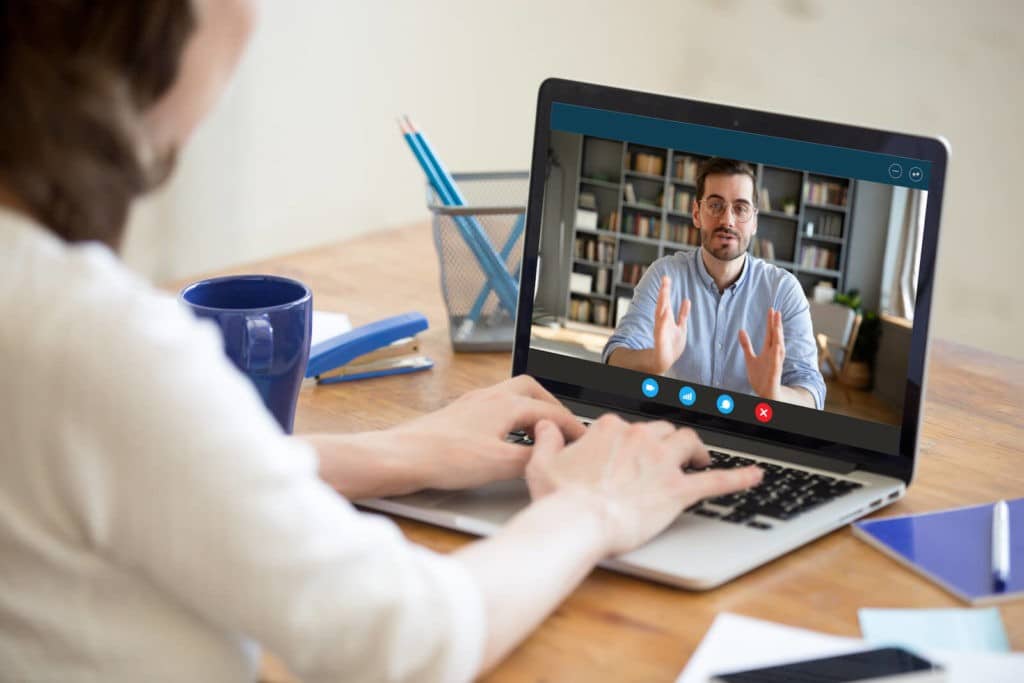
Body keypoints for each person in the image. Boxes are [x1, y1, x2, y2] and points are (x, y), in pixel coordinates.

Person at [0, 2, 763, 681]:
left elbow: (121, 469)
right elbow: (405, 640)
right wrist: (591, 508)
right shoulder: (89, 342)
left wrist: (389, 452)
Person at [603, 157, 826, 409]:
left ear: (754, 221)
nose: (727, 220)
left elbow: (812, 393)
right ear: (697, 214)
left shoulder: (784, 291)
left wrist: (774, 393)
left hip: (751, 433)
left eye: (740, 208)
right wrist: (653, 360)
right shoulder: (664, 275)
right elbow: (615, 356)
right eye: (715, 205)